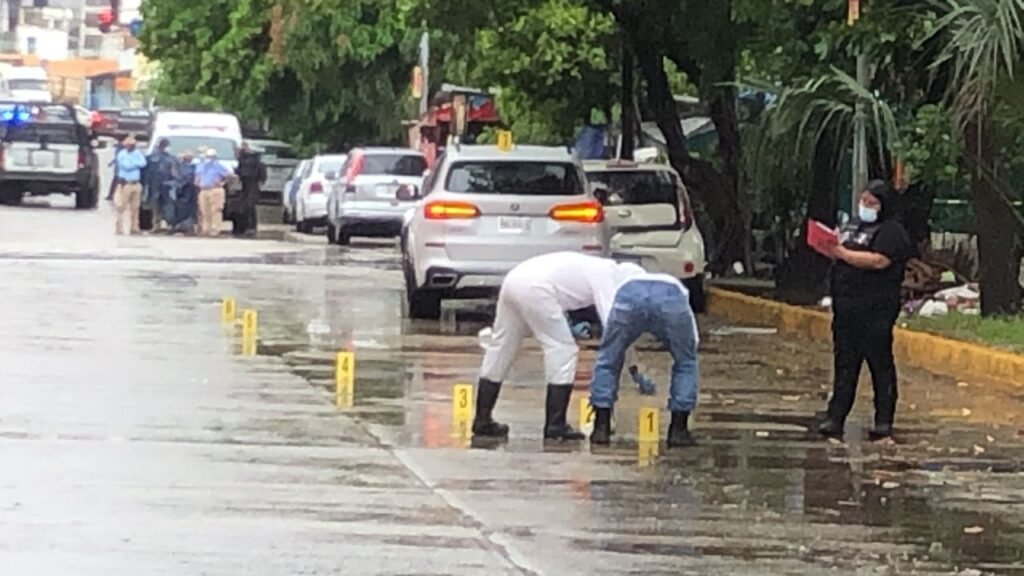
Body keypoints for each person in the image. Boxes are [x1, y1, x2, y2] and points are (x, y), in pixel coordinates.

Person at [472, 252, 644, 441]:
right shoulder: (608, 276)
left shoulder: (595, 266)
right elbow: (613, 326)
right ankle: (556, 425)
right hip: (537, 288)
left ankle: (482, 419)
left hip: (514, 279)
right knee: (562, 348)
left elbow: (564, 291)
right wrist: (634, 367)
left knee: (501, 345)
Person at [818, 180, 913, 442]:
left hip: (876, 309)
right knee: (844, 364)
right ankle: (835, 416)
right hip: (846, 308)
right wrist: (829, 247)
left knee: (879, 364)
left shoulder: (892, 231)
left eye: (872, 203)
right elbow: (840, 250)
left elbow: (879, 261)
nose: (866, 207)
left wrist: (843, 254)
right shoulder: (853, 225)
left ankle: (883, 420)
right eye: (863, 201)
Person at [588, 272, 700, 448]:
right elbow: (692, 346)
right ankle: (679, 430)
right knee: (686, 362)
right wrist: (685, 351)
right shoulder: (677, 287)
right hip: (670, 298)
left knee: (608, 359)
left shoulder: (621, 282)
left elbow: (613, 347)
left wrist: (634, 371)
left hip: (629, 296)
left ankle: (600, 427)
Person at [112, 136, 147, 235]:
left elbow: (143, 163)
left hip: (136, 183)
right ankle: (119, 228)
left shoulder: (138, 153)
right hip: (125, 184)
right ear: (126, 145)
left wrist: (134, 163)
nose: (132, 146)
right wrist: (136, 164)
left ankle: (134, 228)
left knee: (135, 208)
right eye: (130, 145)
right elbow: (126, 166)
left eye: (133, 145)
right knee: (121, 207)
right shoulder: (122, 154)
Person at [194, 149, 231, 237]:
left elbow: (228, 175)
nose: (209, 158)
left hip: (215, 190)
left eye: (211, 157)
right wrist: (197, 182)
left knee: (215, 210)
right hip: (203, 190)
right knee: (204, 211)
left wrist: (222, 182)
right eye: (207, 156)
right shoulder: (201, 166)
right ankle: (206, 229)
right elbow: (198, 175)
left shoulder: (218, 166)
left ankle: (215, 229)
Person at [145, 138, 179, 232]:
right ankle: (157, 226)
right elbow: (147, 173)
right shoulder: (153, 158)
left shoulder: (170, 158)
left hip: (165, 186)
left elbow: (175, 173)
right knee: (157, 206)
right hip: (157, 186)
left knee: (167, 207)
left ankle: (168, 225)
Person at [233, 141, 266, 237]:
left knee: (249, 206)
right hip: (245, 187)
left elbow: (261, 176)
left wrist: (259, 183)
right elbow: (239, 172)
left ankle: (250, 227)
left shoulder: (254, 161)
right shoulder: (243, 160)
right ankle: (245, 227)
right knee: (244, 207)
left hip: (252, 186)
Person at [166, 151, 198, 234]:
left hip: (189, 191)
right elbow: (175, 175)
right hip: (179, 191)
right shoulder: (177, 166)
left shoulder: (193, 167)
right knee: (176, 210)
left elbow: (192, 177)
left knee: (188, 210)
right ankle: (175, 227)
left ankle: (187, 227)